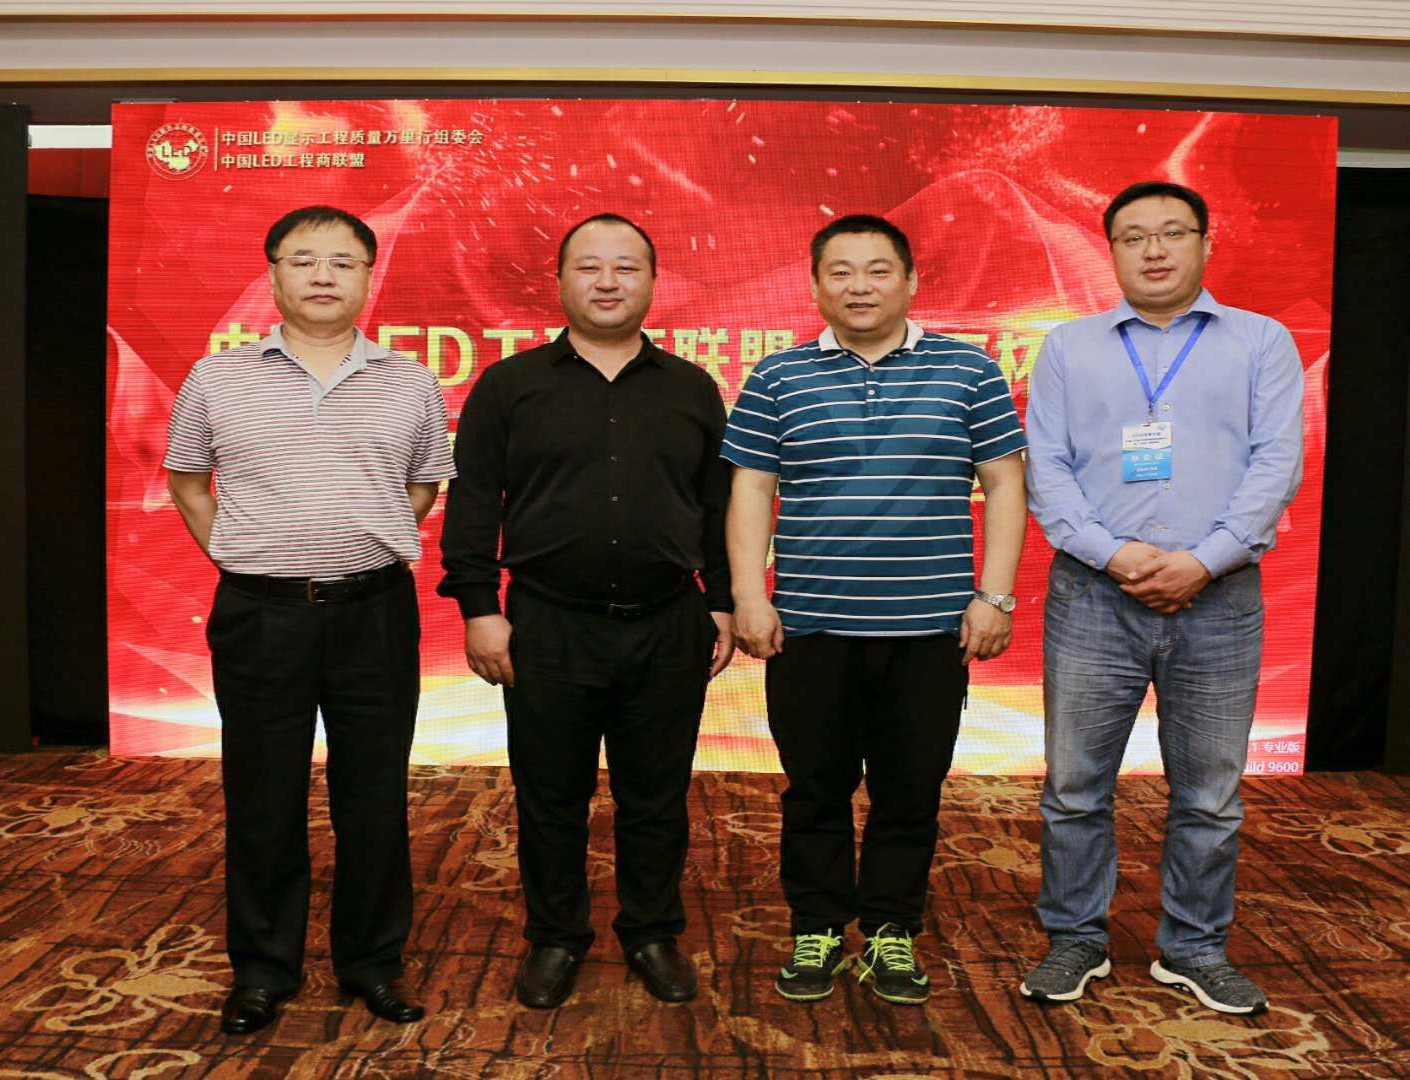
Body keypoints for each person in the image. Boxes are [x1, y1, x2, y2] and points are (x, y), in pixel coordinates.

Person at [723, 214, 1028, 1006]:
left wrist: (994, 595)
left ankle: (893, 927)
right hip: (810, 627)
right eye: (841, 272)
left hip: (930, 631)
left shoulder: (969, 371)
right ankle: (817, 926)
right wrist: (750, 595)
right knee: (813, 789)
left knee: (910, 791)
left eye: (878, 270)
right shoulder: (777, 377)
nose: (860, 287)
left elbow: (1004, 483)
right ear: (816, 285)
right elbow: (752, 488)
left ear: (911, 280)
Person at [165, 205, 453, 1034]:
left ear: (367, 276)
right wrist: (243, 555)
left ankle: (373, 963)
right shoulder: (216, 378)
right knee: (263, 795)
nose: (323, 275)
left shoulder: (410, 381)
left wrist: (360, 544)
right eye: (303, 260)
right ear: (273, 274)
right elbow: (188, 481)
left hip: (374, 612)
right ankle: (263, 969)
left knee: (376, 796)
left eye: (342, 261)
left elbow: (423, 486)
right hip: (261, 615)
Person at [1020, 180, 1304, 1015]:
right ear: (1109, 250)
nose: (1154, 250)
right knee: (1075, 787)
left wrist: (1203, 562)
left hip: (1220, 598)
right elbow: (1047, 467)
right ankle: (1076, 939)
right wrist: (1115, 555)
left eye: (1173, 232)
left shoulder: (1261, 341)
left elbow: (1276, 463)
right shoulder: (1068, 346)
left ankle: (1194, 947)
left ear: (1206, 244)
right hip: (1092, 596)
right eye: (1133, 236)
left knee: (1209, 795)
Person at [437, 213, 734, 1008]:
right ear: (561, 280)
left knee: (656, 795)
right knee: (551, 796)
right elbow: (474, 503)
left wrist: (723, 604)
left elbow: (716, 508)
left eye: (626, 267)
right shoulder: (509, 386)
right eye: (589, 267)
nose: (608, 282)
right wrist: (479, 608)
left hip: (667, 622)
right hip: (547, 624)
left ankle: (651, 931)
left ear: (653, 282)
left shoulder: (692, 388)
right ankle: (556, 937)